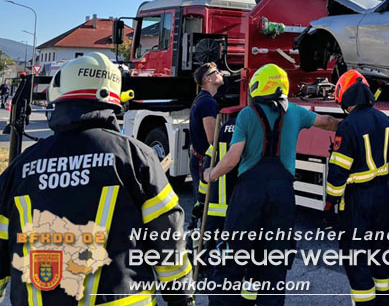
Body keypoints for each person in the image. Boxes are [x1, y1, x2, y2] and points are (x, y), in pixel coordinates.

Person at [0, 52, 193, 305]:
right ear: (114, 101)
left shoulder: (22, 166)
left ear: (60, 100)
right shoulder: (136, 157)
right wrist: (181, 297)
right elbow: (166, 233)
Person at [204, 63, 340, 305]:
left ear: (260, 85)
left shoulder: (247, 114)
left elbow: (233, 157)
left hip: (249, 194)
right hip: (283, 195)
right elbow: (328, 121)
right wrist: (356, 125)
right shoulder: (296, 113)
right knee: (275, 262)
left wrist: (211, 174)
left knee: (233, 257)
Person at [324, 70, 389, 306]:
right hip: (382, 196)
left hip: (357, 201)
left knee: (357, 260)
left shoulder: (347, 127)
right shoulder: (383, 119)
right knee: (380, 256)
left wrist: (331, 201)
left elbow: (338, 172)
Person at [196, 111, 238, 271]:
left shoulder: (220, 136)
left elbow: (205, 174)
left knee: (211, 244)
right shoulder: (246, 135)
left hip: (214, 207)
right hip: (237, 205)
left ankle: (207, 272)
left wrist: (200, 201)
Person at [190, 62, 224, 214]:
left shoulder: (201, 99)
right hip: (202, 162)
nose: (221, 74)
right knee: (203, 205)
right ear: (207, 79)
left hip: (197, 160)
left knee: (200, 202)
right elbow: (212, 138)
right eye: (216, 72)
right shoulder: (208, 103)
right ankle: (196, 233)